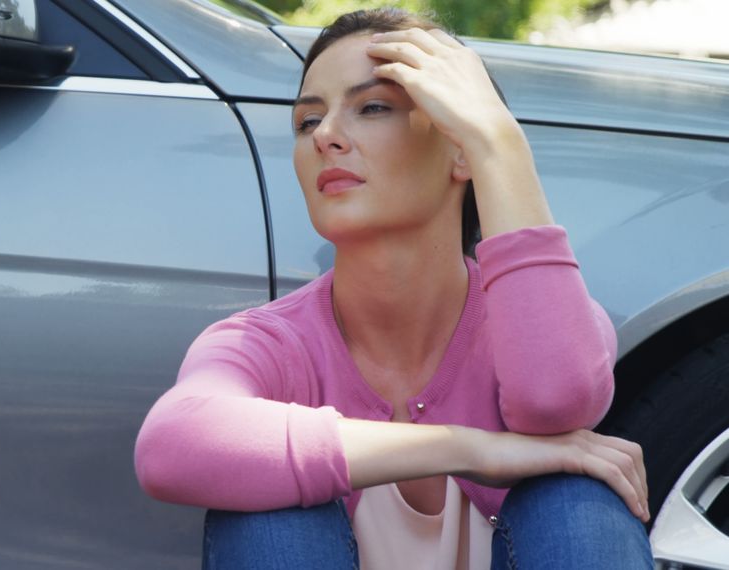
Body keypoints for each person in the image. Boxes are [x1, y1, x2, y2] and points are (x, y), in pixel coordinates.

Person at [134, 7, 654, 569]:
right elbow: (170, 446)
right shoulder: (269, 343)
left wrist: (501, 144)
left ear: (462, 148)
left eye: (373, 107)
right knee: (270, 511)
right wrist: (473, 447)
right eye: (308, 121)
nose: (326, 136)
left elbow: (557, 398)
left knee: (577, 502)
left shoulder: (549, 319)